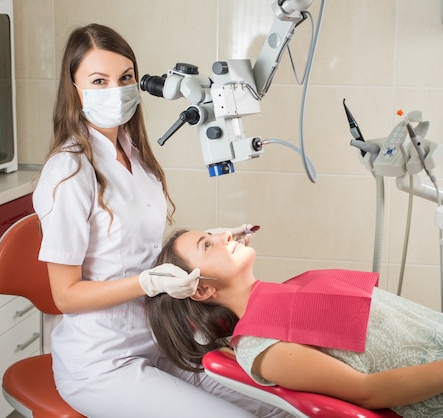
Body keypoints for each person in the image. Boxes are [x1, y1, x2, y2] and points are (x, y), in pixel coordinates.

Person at [33, 23, 291, 418]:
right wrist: (145, 282)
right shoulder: (68, 171)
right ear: (74, 89)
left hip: (161, 340)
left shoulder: (136, 156)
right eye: (98, 80)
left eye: (125, 78)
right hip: (103, 362)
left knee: (278, 406)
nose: (115, 91)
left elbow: (142, 248)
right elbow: (64, 295)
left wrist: (213, 241)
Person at [146, 228, 443, 418]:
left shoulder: (291, 290)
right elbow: (368, 392)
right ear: (201, 289)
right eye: (208, 244)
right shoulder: (263, 348)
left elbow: (386, 327)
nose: (225, 235)